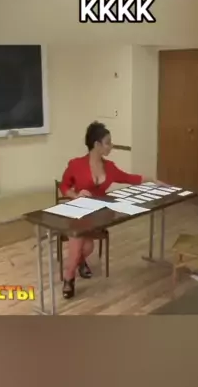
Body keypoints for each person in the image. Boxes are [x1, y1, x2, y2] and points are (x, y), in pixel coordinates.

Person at [59, 121, 164, 299]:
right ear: (97, 144)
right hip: (78, 213)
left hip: (97, 216)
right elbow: (64, 187)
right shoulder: (76, 164)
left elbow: (130, 178)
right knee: (79, 247)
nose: (111, 146)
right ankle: (69, 279)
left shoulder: (110, 167)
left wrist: (152, 180)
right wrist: (75, 196)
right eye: (108, 143)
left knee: (87, 248)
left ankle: (78, 263)